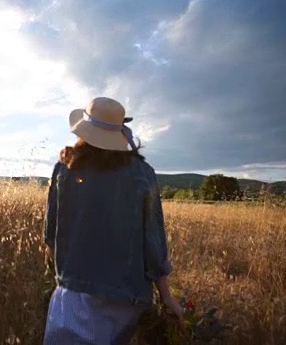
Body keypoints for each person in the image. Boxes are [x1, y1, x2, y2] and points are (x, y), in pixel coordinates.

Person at [43, 97, 183, 344]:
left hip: (73, 293)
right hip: (126, 296)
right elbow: (153, 241)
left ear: (83, 130)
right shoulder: (142, 174)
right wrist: (166, 297)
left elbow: (51, 233)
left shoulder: (64, 169)